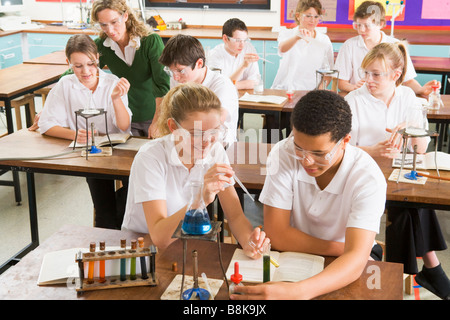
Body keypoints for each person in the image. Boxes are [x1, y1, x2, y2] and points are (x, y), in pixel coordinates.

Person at [231, 90, 387, 300]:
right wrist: (344, 249)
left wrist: (299, 292)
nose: (306, 161)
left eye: (319, 153)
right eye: (299, 147)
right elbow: (277, 235)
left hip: (348, 265)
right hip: (301, 255)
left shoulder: (367, 177)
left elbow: (357, 262)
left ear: (345, 140)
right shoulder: (283, 153)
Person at [345, 42, 450, 300]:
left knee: (408, 204)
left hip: (399, 174)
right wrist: (372, 151)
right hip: (361, 171)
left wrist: (412, 130)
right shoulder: (353, 100)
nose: (368, 80)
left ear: (396, 74)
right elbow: (340, 148)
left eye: (376, 74)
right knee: (406, 207)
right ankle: (429, 269)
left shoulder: (408, 99)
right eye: (365, 72)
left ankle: (395, 274)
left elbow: (421, 149)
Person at [122, 82, 268, 257]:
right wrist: (200, 199)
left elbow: (235, 216)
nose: (207, 141)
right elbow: (159, 238)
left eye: (214, 131)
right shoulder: (150, 157)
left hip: (188, 242)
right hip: (144, 247)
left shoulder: (215, 151)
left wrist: (249, 242)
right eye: (196, 133)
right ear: (173, 127)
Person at [38, 34, 132, 229]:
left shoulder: (112, 82)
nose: (86, 71)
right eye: (78, 66)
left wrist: (115, 99)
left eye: (90, 64)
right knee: (103, 209)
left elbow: (123, 127)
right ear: (68, 63)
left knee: (132, 196)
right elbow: (46, 124)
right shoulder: (65, 85)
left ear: (97, 58)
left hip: (119, 152)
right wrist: (74, 134)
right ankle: (106, 232)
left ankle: (119, 219)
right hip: (91, 154)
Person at [91, 0, 170, 138]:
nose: (109, 30)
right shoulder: (102, 45)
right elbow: (81, 70)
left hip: (154, 115)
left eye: (114, 22)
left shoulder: (150, 42)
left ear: (125, 16)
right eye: (103, 25)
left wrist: (157, 121)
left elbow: (163, 85)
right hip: (124, 118)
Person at [335, 0, 438, 97]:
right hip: (360, 98)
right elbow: (341, 82)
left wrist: (420, 90)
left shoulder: (395, 45)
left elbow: (407, 81)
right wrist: (354, 87)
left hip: (387, 99)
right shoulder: (349, 46)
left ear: (381, 24)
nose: (361, 30)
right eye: (358, 25)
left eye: (367, 25)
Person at [159, 34, 239, 146]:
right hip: (187, 144)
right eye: (171, 71)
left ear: (199, 63)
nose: (176, 77)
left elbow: (215, 123)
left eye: (180, 71)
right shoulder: (178, 78)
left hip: (218, 146)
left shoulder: (222, 85)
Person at [271, 0, 334, 91]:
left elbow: (328, 73)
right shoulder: (288, 34)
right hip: (285, 89)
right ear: (298, 16)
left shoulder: (324, 40)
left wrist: (318, 92)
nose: (312, 20)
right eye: (308, 16)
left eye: (316, 16)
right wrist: (297, 37)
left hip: (311, 93)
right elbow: (282, 49)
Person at [207, 18, 261, 90]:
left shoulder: (248, 48)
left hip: (244, 96)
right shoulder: (215, 55)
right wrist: (243, 66)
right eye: (238, 40)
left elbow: (255, 82)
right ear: (225, 38)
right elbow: (220, 87)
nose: (242, 45)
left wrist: (233, 85)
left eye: (244, 40)